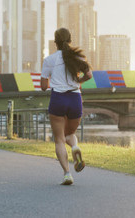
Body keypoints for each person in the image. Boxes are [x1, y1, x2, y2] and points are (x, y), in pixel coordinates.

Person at [41, 28, 93, 185]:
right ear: (70, 40)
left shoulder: (49, 60)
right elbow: (89, 75)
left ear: (55, 42)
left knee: (59, 139)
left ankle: (67, 174)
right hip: (75, 98)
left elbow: (43, 86)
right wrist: (78, 81)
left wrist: (53, 79)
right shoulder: (77, 57)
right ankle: (75, 147)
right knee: (70, 133)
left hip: (58, 99)